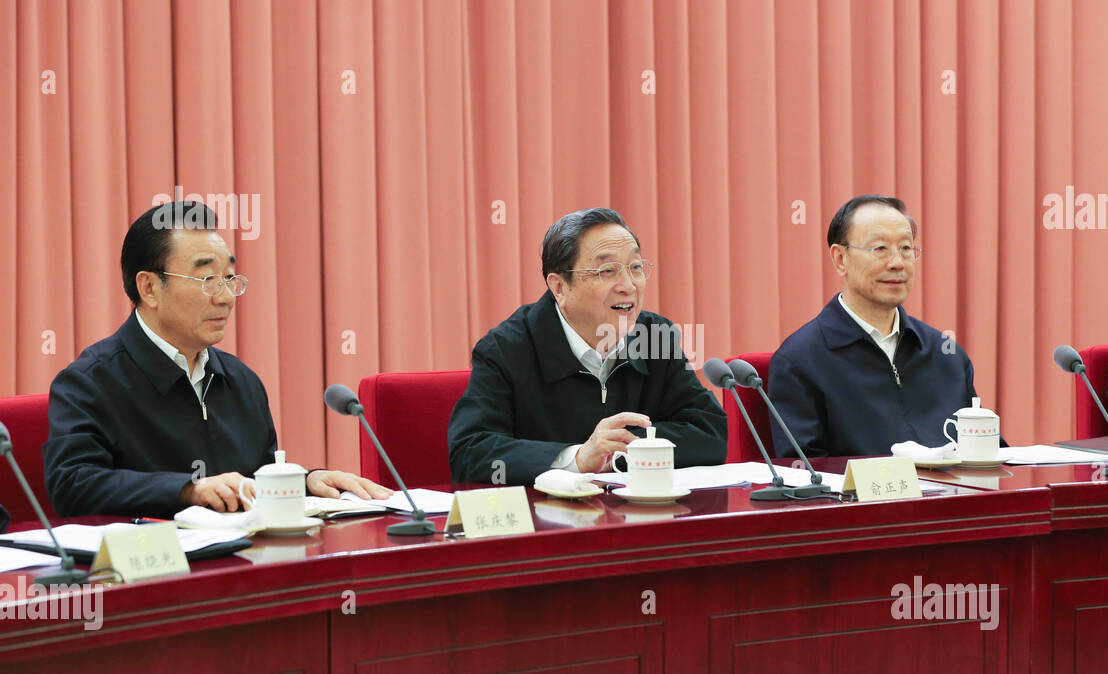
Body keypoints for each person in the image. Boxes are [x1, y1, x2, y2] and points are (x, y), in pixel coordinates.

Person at [43, 201, 392, 518]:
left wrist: (305, 482)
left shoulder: (240, 379)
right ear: (149, 288)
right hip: (153, 570)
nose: (226, 297)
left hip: (243, 562)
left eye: (229, 278)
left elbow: (252, 480)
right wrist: (187, 490)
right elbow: (73, 487)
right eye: (208, 279)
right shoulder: (90, 382)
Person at [448, 207, 727, 484]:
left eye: (636, 268)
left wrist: (622, 449)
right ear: (559, 288)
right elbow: (471, 454)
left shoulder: (655, 337)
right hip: (547, 520)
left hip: (639, 515)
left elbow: (710, 434)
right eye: (607, 271)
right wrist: (577, 458)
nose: (628, 285)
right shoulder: (507, 349)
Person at [767, 194, 984, 457]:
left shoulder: (945, 353)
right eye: (879, 249)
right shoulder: (799, 360)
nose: (897, 263)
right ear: (840, 259)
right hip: (863, 498)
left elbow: (985, 452)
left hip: (953, 496)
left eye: (906, 249)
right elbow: (806, 475)